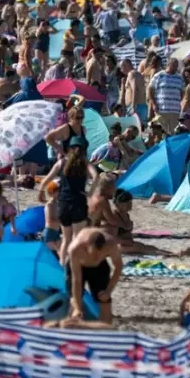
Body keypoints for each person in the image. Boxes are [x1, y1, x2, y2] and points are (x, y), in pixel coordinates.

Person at [38, 136, 98, 265]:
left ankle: (62, 265)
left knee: (66, 239)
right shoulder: (85, 163)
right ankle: (74, 264)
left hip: (63, 203)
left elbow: (47, 178)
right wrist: (91, 192)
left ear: (69, 148)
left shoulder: (61, 162)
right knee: (77, 237)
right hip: (78, 202)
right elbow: (96, 176)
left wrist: (41, 191)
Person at [66, 228, 122, 324]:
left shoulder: (111, 245)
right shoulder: (75, 249)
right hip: (79, 266)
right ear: (86, 246)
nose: (96, 258)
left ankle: (106, 334)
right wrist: (77, 308)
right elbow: (76, 280)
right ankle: (73, 331)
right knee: (74, 302)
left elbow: (118, 267)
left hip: (99, 268)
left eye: (101, 255)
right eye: (94, 254)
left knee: (104, 300)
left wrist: (109, 291)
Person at [147, 58, 184, 133]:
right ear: (168, 65)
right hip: (161, 109)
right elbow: (150, 90)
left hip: (175, 110)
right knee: (161, 133)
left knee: (174, 133)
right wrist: (153, 104)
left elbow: (182, 92)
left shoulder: (179, 78)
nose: (175, 68)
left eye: (176, 66)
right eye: (173, 66)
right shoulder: (159, 75)